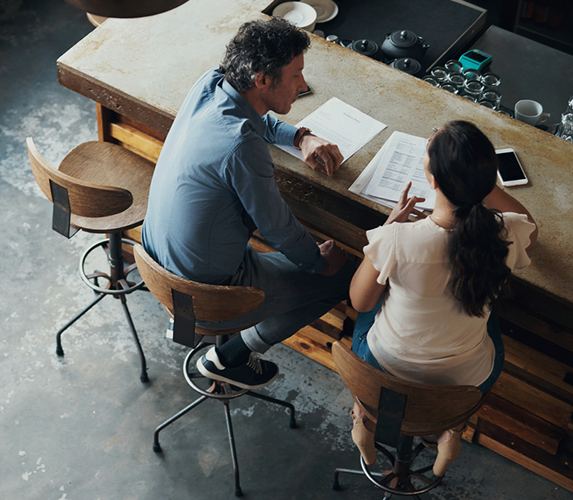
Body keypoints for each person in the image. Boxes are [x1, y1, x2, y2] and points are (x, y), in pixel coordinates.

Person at [141, 18, 356, 391]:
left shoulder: (211, 83)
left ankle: (209, 336)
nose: (303, 85)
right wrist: (319, 263)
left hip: (158, 258)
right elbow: (277, 228)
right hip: (207, 292)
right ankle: (231, 356)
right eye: (295, 75)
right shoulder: (241, 146)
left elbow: (255, 117)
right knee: (346, 278)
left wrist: (300, 136)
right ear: (262, 80)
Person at [347, 120, 538, 475]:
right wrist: (479, 184)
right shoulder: (507, 232)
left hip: (386, 371)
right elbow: (530, 224)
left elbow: (361, 302)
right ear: (487, 183)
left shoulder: (396, 240)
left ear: (432, 181)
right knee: (487, 313)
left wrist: (388, 230)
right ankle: (450, 430)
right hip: (464, 384)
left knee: (369, 310)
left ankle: (365, 416)